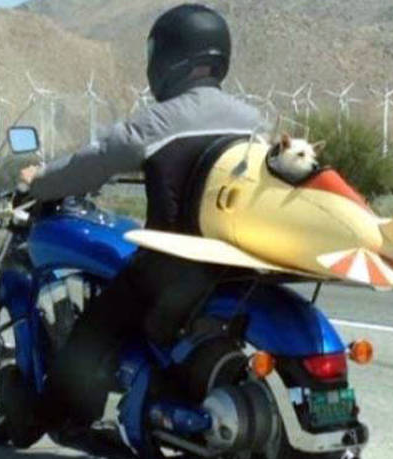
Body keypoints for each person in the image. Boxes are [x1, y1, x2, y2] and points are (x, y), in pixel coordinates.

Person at [16, 3, 265, 432]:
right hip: (237, 264)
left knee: (94, 329)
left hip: (171, 267)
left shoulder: (159, 121)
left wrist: (38, 180)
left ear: (169, 56)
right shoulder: (254, 122)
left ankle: (55, 416)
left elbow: (93, 162)